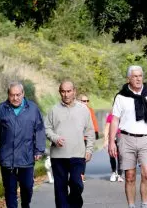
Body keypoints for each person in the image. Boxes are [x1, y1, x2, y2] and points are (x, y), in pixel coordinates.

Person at [108, 66, 147, 208]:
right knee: (130, 176)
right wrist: (111, 142)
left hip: (146, 139)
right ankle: (131, 205)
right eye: (135, 76)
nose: (138, 79)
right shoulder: (121, 96)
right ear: (129, 79)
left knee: (146, 174)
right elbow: (115, 120)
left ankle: (144, 204)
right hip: (126, 139)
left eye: (140, 76)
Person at [0, 81, 45, 208]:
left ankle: (25, 205)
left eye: (18, 95)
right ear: (8, 95)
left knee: (27, 187)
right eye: (12, 95)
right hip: (7, 158)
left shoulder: (33, 109)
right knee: (10, 190)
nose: (15, 98)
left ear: (23, 94)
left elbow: (39, 130)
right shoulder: (1, 109)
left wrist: (39, 150)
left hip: (26, 156)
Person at [45, 80, 95, 208]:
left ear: (74, 91)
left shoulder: (83, 110)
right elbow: (46, 129)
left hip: (78, 155)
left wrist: (89, 150)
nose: (66, 95)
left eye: (69, 91)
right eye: (63, 91)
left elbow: (90, 131)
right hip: (58, 156)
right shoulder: (54, 110)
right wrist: (55, 138)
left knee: (77, 184)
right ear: (59, 92)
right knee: (60, 189)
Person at [79, 94, 99, 181]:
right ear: (79, 101)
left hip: (85, 137)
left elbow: (94, 121)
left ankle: (81, 174)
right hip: (76, 137)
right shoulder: (75, 111)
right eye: (84, 101)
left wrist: (96, 131)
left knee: (83, 157)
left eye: (87, 101)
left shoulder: (90, 110)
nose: (86, 103)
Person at [103, 112, 124, 182]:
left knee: (120, 156)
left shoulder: (124, 115)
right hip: (112, 137)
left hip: (121, 136)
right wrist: (105, 140)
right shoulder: (110, 116)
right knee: (112, 154)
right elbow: (107, 128)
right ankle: (114, 172)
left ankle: (120, 174)